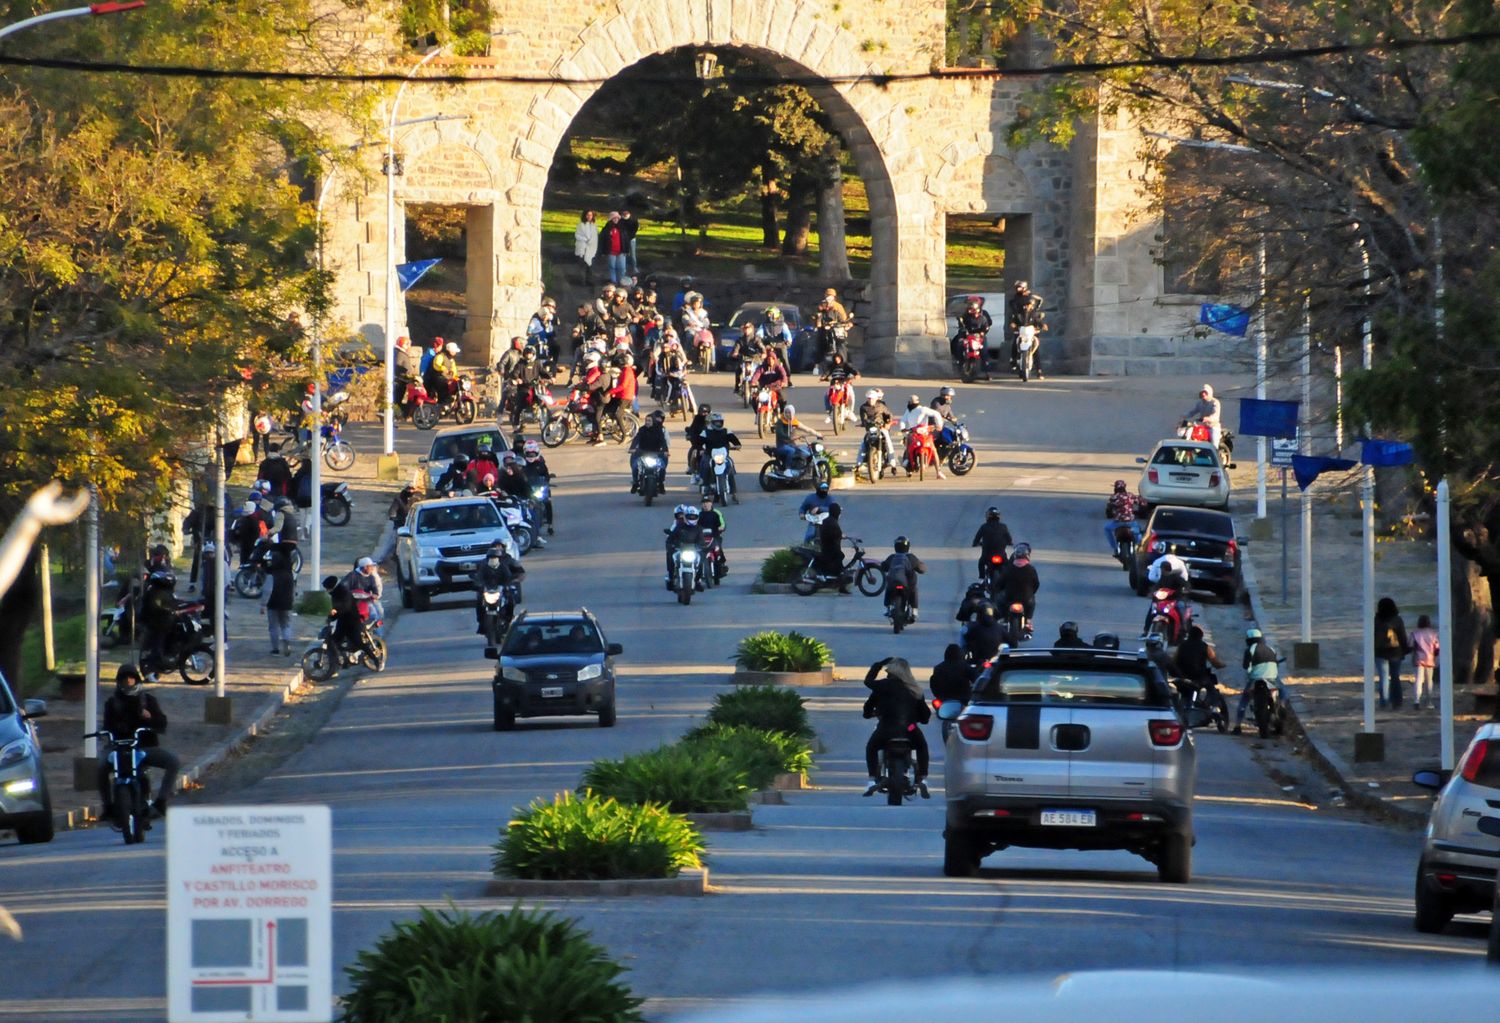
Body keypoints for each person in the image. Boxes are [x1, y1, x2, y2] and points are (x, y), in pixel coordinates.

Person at [98, 664, 180, 821]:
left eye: (131, 678)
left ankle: (161, 802)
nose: (128, 682)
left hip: (145, 748)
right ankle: (108, 807)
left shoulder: (148, 700)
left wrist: (150, 718)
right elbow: (107, 727)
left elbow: (162, 723)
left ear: (136, 680)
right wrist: (109, 732)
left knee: (173, 762)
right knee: (101, 767)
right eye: (124, 679)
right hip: (119, 749)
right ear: (118, 682)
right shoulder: (112, 703)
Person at [861, 657, 931, 797]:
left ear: (891, 672)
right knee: (922, 746)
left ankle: (871, 780)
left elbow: (868, 692)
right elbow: (925, 716)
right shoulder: (915, 689)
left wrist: (878, 664)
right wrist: (916, 718)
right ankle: (923, 778)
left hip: (885, 729)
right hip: (910, 729)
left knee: (871, 747)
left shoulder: (882, 687)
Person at [1233, 627, 1285, 733]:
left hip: (1255, 680)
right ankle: (1282, 706)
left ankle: (1237, 726)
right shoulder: (1271, 649)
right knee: (1283, 692)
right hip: (1271, 680)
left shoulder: (1250, 650)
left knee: (1244, 701)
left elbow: (1246, 667)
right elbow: (1276, 664)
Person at [473, 543, 525, 634]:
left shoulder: (507, 562)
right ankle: (481, 623)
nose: (497, 549)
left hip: (502, 588)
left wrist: (513, 580)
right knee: (479, 602)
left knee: (510, 600)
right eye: (494, 547)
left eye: (499, 546)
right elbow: (478, 575)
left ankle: (509, 619)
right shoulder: (483, 564)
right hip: (488, 589)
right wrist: (478, 583)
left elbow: (517, 573)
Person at [138, 568, 178, 682]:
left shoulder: (163, 592)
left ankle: (159, 666)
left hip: (162, 622)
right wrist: (168, 610)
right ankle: (149, 671)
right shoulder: (155, 593)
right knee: (156, 646)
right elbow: (155, 607)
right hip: (156, 624)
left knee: (161, 644)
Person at [1374, 596, 1411, 709]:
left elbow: (1373, 636)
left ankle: (1384, 701)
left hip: (1380, 652)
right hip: (1396, 652)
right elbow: (1402, 636)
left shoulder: (1377, 620)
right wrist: (1405, 649)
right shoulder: (1397, 620)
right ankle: (1397, 701)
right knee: (1395, 677)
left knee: (1383, 677)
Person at [897, 395, 945, 478]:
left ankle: (938, 472)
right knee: (908, 447)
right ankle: (907, 462)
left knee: (933, 450)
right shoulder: (908, 411)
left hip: (924, 433)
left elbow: (936, 414)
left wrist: (939, 425)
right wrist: (903, 429)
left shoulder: (923, 409)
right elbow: (903, 420)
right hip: (912, 433)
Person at [260, 548, 297, 656]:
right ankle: (287, 640)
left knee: (273, 627)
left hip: (273, 603)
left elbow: (267, 591)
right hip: (287, 603)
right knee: (286, 625)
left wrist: (263, 605)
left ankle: (275, 649)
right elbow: (293, 591)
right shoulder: (290, 575)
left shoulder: (272, 575)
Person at [1007, 280, 1047, 378]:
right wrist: (1013, 323)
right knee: (1015, 341)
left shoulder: (1031, 301)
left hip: (1031, 328)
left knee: (1036, 348)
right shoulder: (1016, 300)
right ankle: (1014, 360)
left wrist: (1041, 325)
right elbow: (1013, 310)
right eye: (1017, 288)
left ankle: (1039, 370)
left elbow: (1039, 301)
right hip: (1021, 326)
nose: (1018, 289)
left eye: (1020, 287)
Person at [697, 411, 742, 497]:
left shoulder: (726, 431)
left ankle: (733, 492)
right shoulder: (706, 432)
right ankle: (705, 486)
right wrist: (700, 449)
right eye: (716, 422)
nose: (718, 424)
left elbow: (735, 441)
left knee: (730, 467)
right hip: (709, 455)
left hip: (723, 456)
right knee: (706, 465)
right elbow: (699, 443)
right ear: (712, 422)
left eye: (720, 422)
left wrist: (738, 445)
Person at [881, 536, 927, 620]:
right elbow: (921, 569)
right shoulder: (911, 557)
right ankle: (914, 610)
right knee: (914, 590)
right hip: (908, 585)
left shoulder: (892, 557)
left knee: (888, 588)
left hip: (893, 583)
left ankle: (888, 607)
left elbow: (884, 567)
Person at [855, 387, 898, 475]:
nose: (871, 400)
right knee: (863, 445)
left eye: (872, 398)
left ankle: (893, 465)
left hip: (881, 428)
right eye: (869, 398)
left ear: (876, 398)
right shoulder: (863, 407)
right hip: (870, 430)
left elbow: (889, 414)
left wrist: (888, 422)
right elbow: (864, 419)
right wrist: (864, 423)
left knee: (888, 442)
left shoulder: (881, 406)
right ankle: (858, 465)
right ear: (867, 398)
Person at [1000, 542, 1040, 636]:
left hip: (1009, 598)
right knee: (1032, 602)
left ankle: (1003, 618)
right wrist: (1031, 593)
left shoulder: (1008, 568)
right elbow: (1036, 584)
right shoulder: (1031, 569)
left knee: (999, 600)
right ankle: (1028, 621)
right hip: (1026, 599)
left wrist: (1000, 589)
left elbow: (1000, 583)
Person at [630, 408, 671, 493]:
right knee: (635, 467)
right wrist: (632, 448)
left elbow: (663, 442)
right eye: (646, 420)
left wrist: (665, 451)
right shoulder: (642, 430)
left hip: (656, 453)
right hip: (642, 453)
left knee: (662, 468)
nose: (647, 422)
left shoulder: (659, 431)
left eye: (649, 421)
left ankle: (661, 483)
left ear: (653, 422)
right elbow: (636, 439)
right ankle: (635, 483)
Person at [520, 439, 555, 535]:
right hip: (529, 489)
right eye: (529, 454)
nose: (531, 456)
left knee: (548, 502)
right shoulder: (523, 464)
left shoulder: (541, 464)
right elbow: (520, 476)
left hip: (540, 488)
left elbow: (546, 475)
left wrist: (547, 480)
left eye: (533, 454)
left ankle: (550, 525)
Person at [664, 504, 703, 589]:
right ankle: (671, 577)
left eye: (693, 517)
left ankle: (697, 580)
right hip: (680, 550)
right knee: (671, 558)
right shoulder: (679, 526)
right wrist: (671, 544)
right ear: (686, 517)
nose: (691, 518)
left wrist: (701, 546)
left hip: (693, 550)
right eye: (689, 516)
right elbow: (671, 537)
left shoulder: (699, 528)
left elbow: (701, 540)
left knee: (701, 561)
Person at [772, 404, 819, 473]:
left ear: (793, 413)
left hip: (792, 445)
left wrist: (818, 434)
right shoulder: (780, 422)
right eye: (786, 412)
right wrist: (792, 438)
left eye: (789, 412)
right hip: (782, 445)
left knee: (806, 449)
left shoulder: (794, 422)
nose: (788, 414)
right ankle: (787, 469)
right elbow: (780, 434)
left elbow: (807, 429)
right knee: (791, 451)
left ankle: (804, 468)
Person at [951, 297, 993, 374]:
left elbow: (987, 324)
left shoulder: (983, 315)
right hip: (967, 335)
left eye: (975, 309)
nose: (973, 311)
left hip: (978, 336)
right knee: (960, 345)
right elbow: (961, 325)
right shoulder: (965, 315)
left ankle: (986, 367)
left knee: (983, 349)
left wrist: (983, 331)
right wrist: (963, 332)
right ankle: (960, 362)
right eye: (971, 308)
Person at [971, 506, 1013, 579]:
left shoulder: (984, 527)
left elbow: (977, 538)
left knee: (981, 563)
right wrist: (1009, 543)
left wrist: (975, 543)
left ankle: (981, 579)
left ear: (988, 516)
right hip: (1001, 554)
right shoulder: (1003, 527)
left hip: (987, 555)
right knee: (1008, 565)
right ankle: (1008, 581)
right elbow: (1009, 539)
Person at [1104, 479, 1144, 554]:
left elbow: (1108, 509)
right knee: (1139, 532)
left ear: (1115, 488)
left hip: (1118, 523)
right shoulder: (1130, 495)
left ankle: (1115, 547)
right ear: (1124, 487)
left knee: (1106, 528)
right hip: (1131, 522)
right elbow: (1142, 502)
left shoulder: (1113, 497)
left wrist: (1110, 514)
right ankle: (1139, 547)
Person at [816, 501, 848, 589]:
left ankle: (841, 585)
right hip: (830, 549)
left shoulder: (830, 520)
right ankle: (836, 582)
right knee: (839, 559)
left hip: (830, 547)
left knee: (840, 561)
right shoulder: (831, 522)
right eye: (839, 512)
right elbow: (831, 534)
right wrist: (840, 536)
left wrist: (840, 536)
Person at [820, 353, 859, 424]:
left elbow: (852, 370)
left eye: (838, 358)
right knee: (826, 396)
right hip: (834, 384)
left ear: (841, 358)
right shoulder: (832, 366)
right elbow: (827, 372)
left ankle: (851, 411)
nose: (837, 360)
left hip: (845, 383)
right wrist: (823, 377)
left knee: (852, 396)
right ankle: (829, 413)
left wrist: (856, 374)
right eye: (835, 358)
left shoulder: (845, 365)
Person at [1411, 614, 1439, 710]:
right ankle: (1429, 701)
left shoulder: (1415, 633)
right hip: (1430, 660)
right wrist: (1435, 656)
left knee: (1418, 680)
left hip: (1418, 659)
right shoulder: (1433, 634)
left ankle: (1416, 700)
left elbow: (1410, 644)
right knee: (1429, 681)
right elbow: (1437, 648)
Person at [1184, 383, 1223, 449]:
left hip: (1212, 427)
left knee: (1214, 446)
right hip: (1203, 427)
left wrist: (1208, 418)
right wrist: (1184, 416)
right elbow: (1193, 411)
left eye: (1205, 392)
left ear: (1210, 393)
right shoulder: (1200, 403)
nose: (1203, 394)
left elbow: (1215, 415)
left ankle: (1216, 456)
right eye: (1202, 392)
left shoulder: (1215, 402)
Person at [730, 321, 765, 392]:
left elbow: (762, 347)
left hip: (755, 358)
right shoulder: (740, 340)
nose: (746, 330)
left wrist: (763, 353)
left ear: (752, 329)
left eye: (748, 328)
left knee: (761, 370)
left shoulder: (756, 339)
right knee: (738, 369)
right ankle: (737, 386)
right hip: (743, 358)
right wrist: (735, 353)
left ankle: (762, 385)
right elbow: (736, 348)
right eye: (745, 328)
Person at [600, 211, 627, 284]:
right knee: (612, 267)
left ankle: (621, 282)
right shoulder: (606, 229)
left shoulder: (622, 228)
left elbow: (625, 239)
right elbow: (602, 240)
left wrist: (626, 250)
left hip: (621, 251)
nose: (616, 219)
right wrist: (603, 251)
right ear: (611, 219)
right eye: (614, 218)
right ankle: (614, 281)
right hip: (611, 252)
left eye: (617, 218)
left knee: (622, 268)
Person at [574, 210, 598, 285]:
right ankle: (582, 281)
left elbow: (595, 237)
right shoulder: (580, 225)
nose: (589, 217)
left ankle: (589, 281)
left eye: (590, 215)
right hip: (582, 248)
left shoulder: (594, 226)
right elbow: (577, 235)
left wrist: (591, 243)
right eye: (587, 215)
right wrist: (585, 239)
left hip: (591, 249)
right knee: (582, 266)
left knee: (590, 267)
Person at [619, 209, 640, 276]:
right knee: (624, 254)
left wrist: (629, 236)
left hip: (631, 238)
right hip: (623, 239)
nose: (625, 214)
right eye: (623, 213)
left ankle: (634, 267)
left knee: (633, 254)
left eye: (626, 213)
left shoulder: (633, 219)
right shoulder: (620, 220)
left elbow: (635, 229)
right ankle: (624, 268)